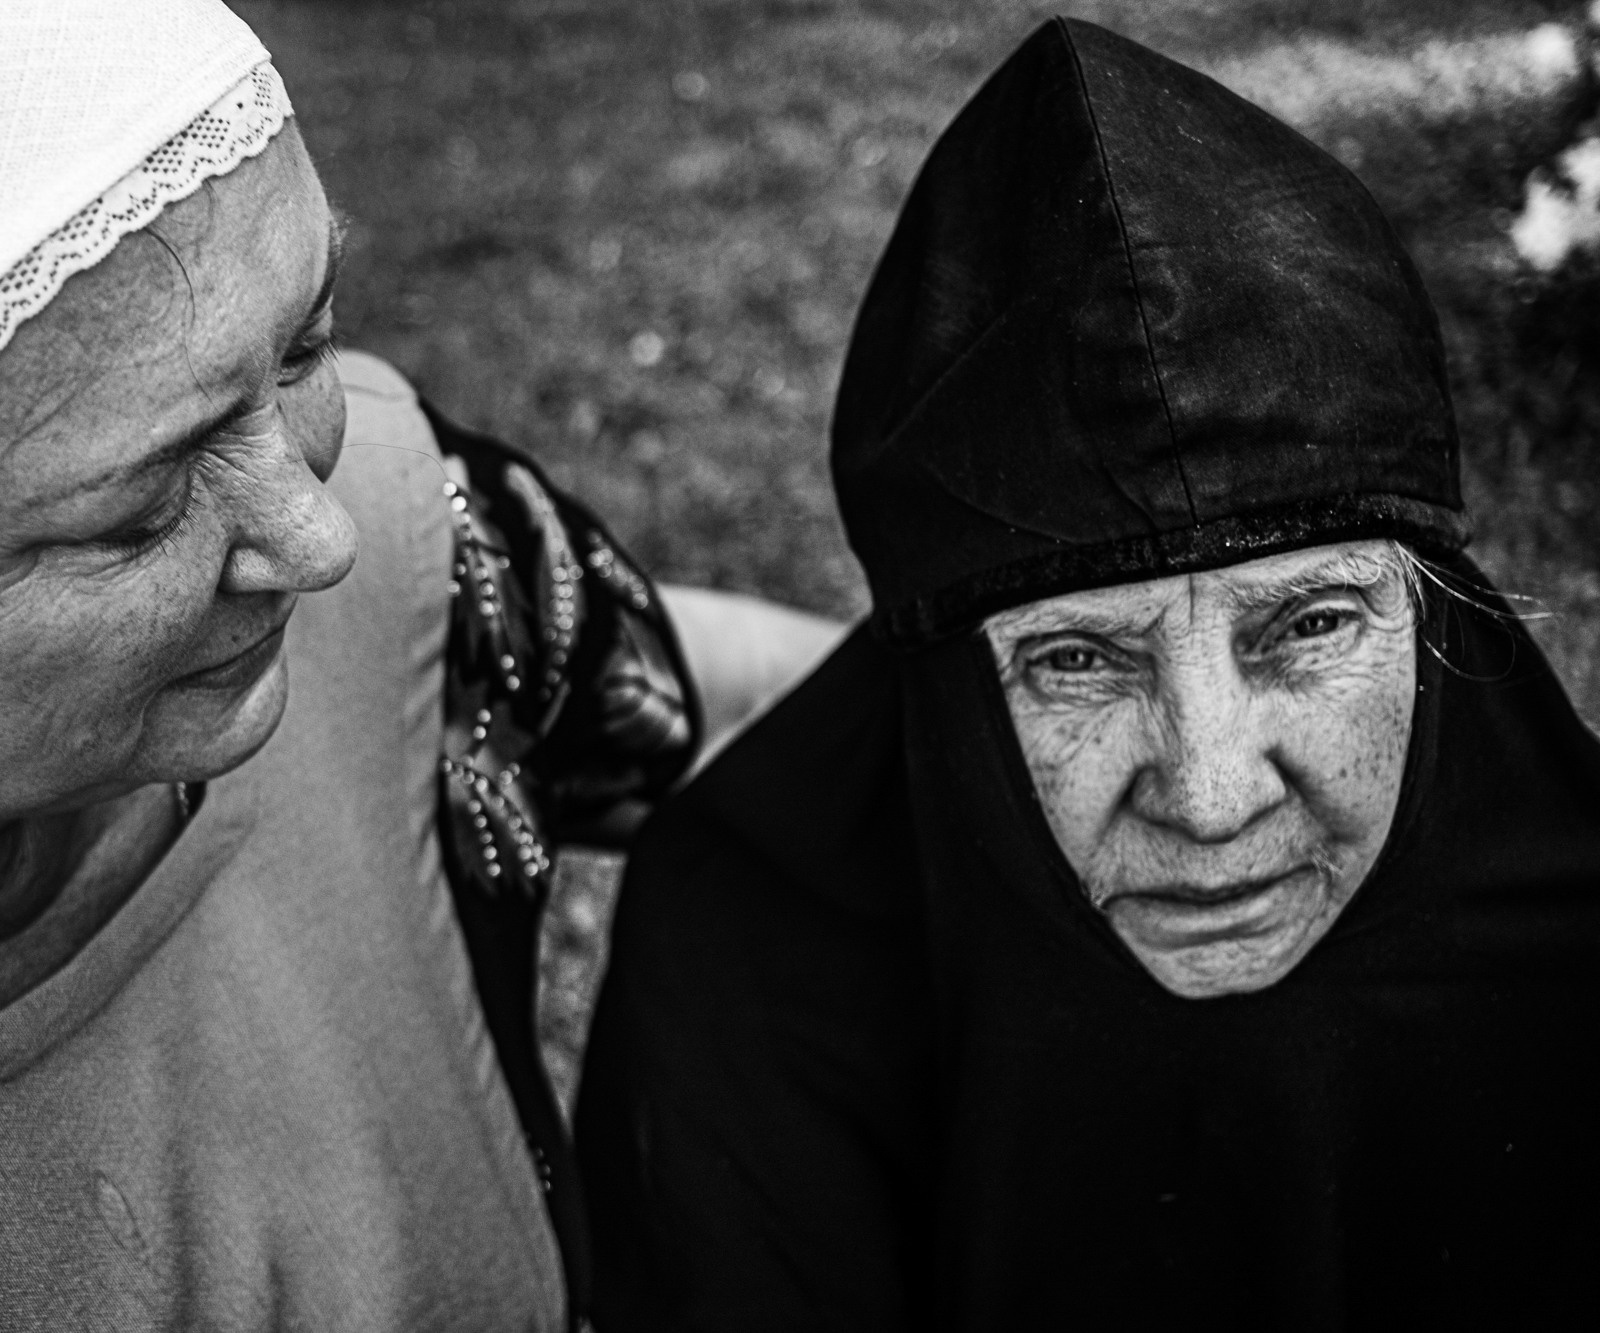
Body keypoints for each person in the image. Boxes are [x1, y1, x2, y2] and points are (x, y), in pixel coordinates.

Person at [0, 2, 831, 1325]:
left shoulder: (437, 562)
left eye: (305, 346)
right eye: (134, 515)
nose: (319, 537)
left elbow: (761, 720)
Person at [577, 18, 1600, 1329]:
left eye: (1308, 628)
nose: (1214, 793)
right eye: (1075, 658)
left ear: (1438, 614)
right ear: (941, 698)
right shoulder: (759, 971)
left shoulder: (1567, 908)